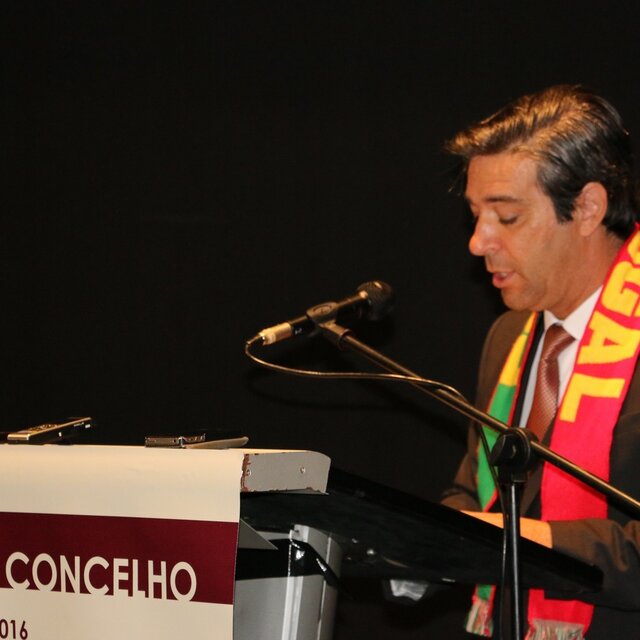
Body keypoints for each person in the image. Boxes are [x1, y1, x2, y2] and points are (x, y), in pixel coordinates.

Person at [441, 85, 640, 640]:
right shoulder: (509, 336)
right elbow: (475, 492)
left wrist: (525, 541)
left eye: (506, 217)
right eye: (475, 215)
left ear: (588, 208)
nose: (478, 242)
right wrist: (414, 546)